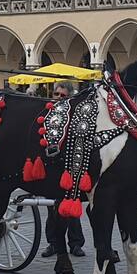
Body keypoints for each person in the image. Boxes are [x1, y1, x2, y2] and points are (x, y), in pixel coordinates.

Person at [41, 82, 86, 258]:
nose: (59, 98)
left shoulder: (74, 115)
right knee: (52, 208)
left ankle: (76, 243)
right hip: (51, 166)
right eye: (56, 94)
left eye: (63, 95)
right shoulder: (46, 113)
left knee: (71, 206)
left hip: (69, 166)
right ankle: (53, 243)